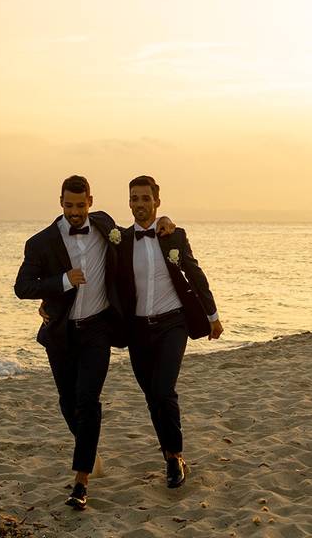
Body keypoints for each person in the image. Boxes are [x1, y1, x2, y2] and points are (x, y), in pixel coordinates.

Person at [13, 175, 173, 510]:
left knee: (88, 401)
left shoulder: (104, 227)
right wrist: (61, 282)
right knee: (67, 403)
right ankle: (90, 449)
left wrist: (165, 221)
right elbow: (23, 286)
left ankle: (81, 483)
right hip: (61, 334)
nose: (75, 211)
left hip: (98, 330)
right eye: (68, 205)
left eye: (80, 204)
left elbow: (135, 234)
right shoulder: (40, 242)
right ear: (60, 202)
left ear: (90, 201)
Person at [117, 175, 222, 488]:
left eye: (145, 199)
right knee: (152, 396)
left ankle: (175, 456)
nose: (139, 204)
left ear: (157, 201)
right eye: (134, 198)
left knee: (163, 389)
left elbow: (194, 274)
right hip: (136, 328)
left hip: (172, 323)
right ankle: (168, 453)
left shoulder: (174, 236)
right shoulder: (120, 240)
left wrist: (213, 315)